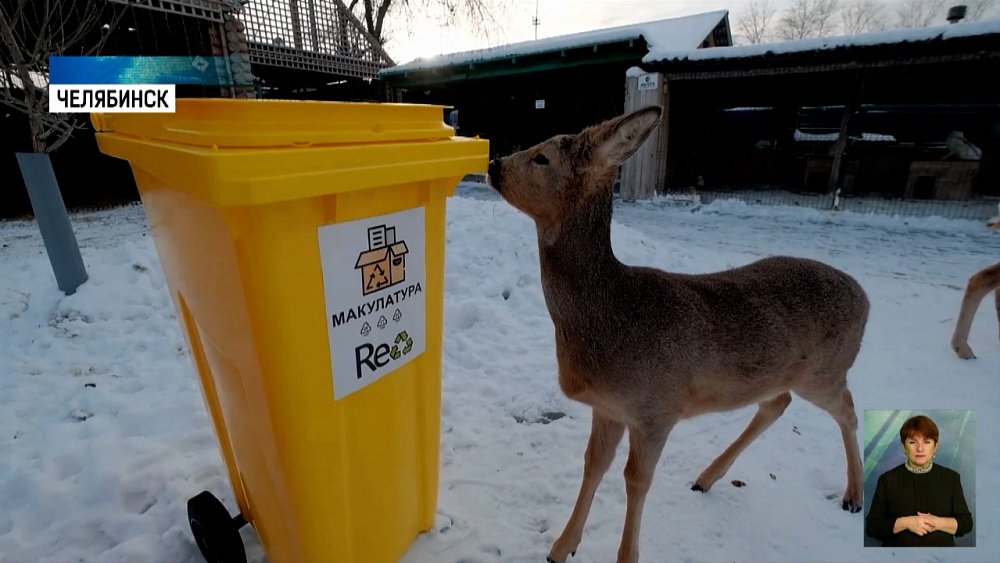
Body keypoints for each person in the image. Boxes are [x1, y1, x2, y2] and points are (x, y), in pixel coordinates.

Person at [865, 414, 974, 546]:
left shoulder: (951, 478)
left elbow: (966, 523)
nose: (920, 448)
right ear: (903, 446)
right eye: (912, 442)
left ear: (935, 446)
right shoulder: (887, 479)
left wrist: (938, 523)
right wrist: (906, 523)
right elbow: (872, 527)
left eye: (927, 442)